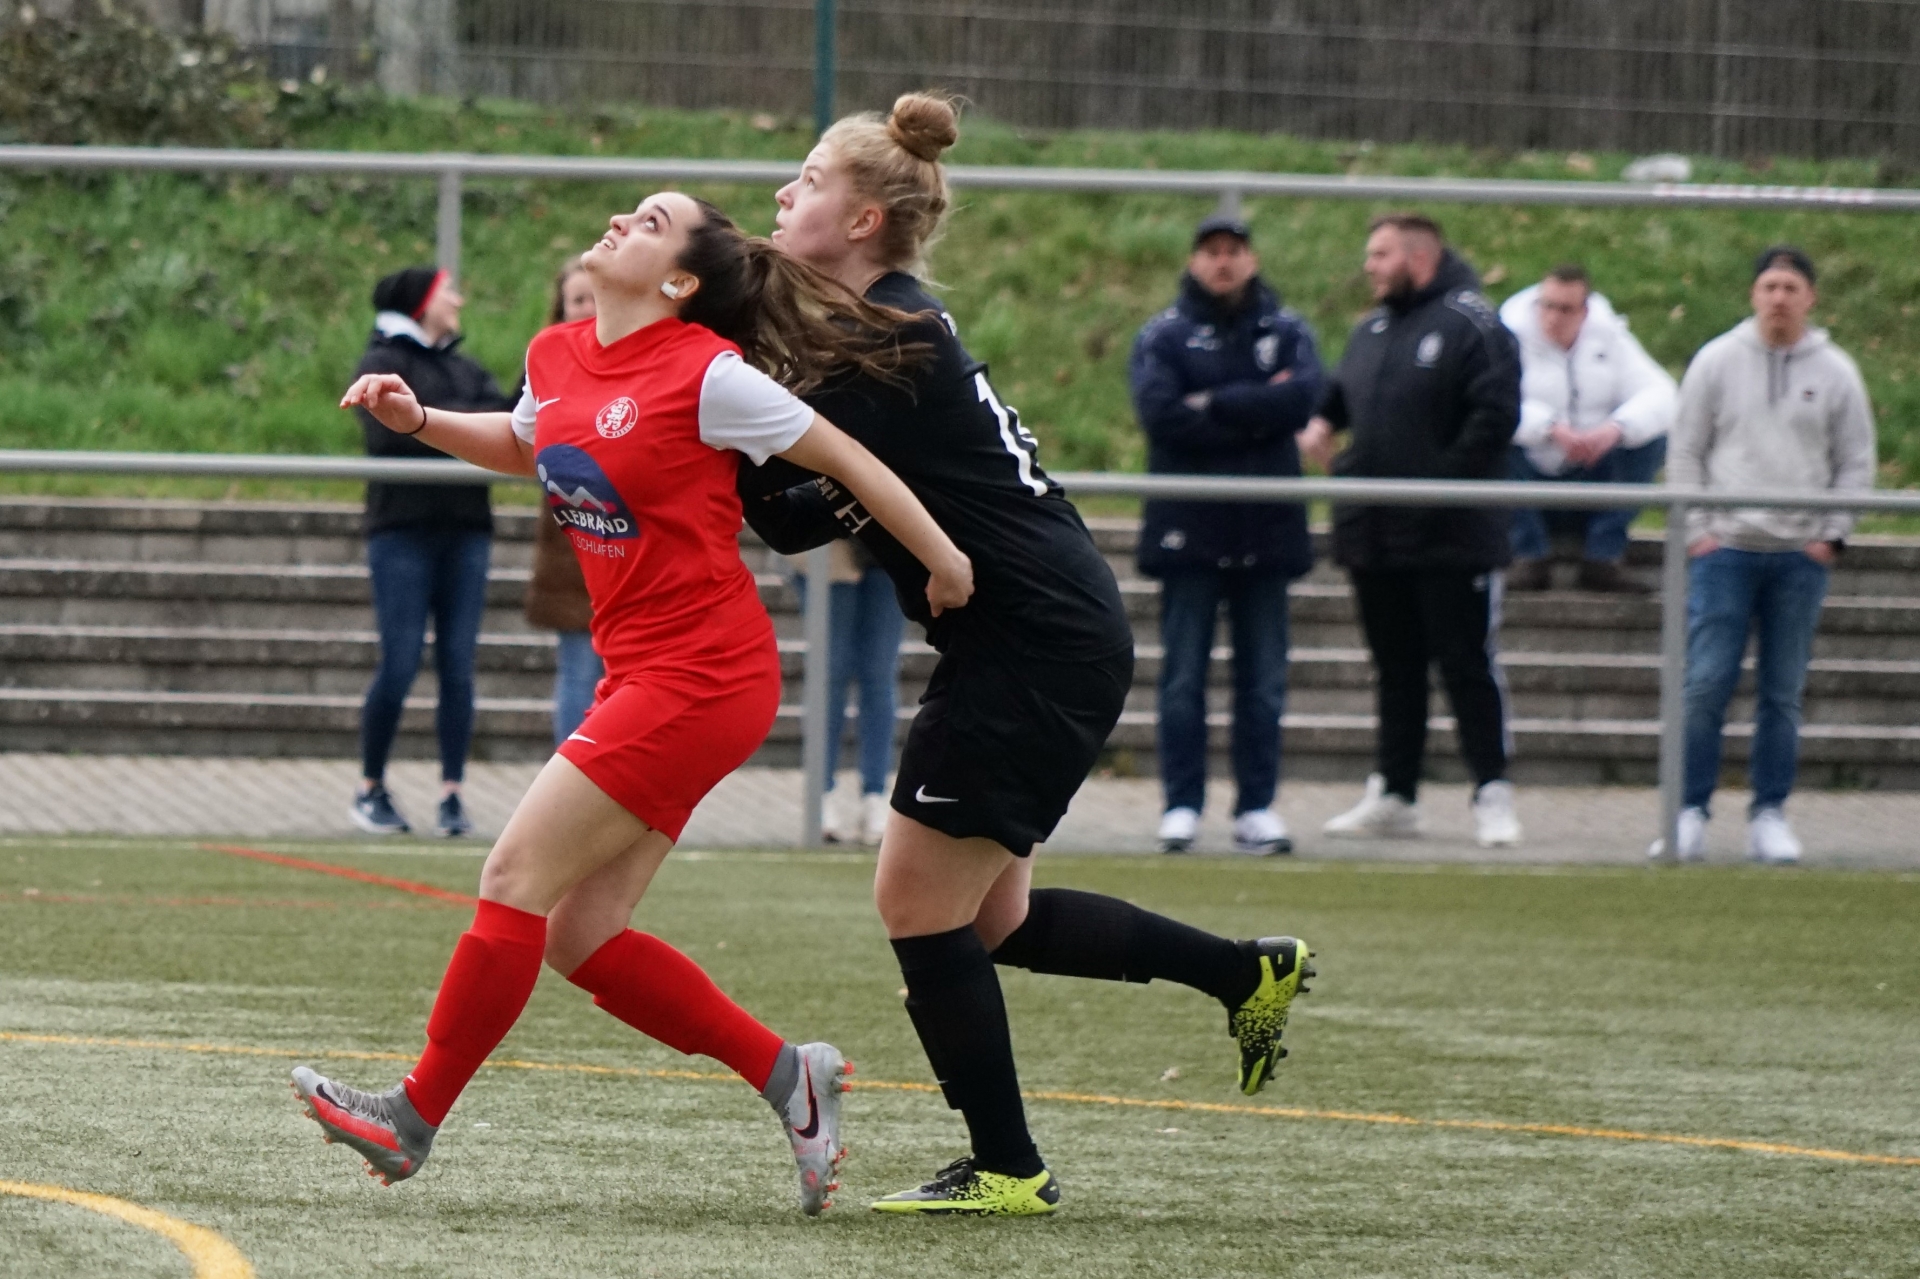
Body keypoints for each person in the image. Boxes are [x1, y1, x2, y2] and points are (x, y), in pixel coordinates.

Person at [293, 191, 977, 1218]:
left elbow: (849, 460)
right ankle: (792, 1076)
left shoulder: (709, 376)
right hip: (643, 671)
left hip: (703, 674)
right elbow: (530, 443)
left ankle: (411, 1116)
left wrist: (943, 559)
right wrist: (420, 418)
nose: (620, 219)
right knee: (581, 933)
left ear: (680, 284)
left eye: (651, 222)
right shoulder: (559, 350)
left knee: (513, 872)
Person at [742, 93, 1316, 1217]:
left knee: (914, 905)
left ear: (864, 219)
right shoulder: (881, 331)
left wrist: (698, 400)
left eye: (807, 180)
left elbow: (785, 510)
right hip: (1039, 633)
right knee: (990, 920)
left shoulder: (889, 341)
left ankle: (1008, 1167)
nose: (783, 193)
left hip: (1031, 642)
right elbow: (804, 507)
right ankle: (1243, 970)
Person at [1299, 213, 1523, 848]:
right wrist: (1320, 423)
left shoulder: (1474, 323)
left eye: (1380, 254)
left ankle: (1492, 792)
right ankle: (1396, 793)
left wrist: (1434, 492)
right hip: (1374, 534)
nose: (1368, 266)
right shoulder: (1371, 327)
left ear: (1418, 256)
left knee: (1465, 661)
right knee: (1395, 667)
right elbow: (1344, 397)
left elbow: (1495, 417)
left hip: (1451, 537)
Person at [1653, 246, 1875, 865]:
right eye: (1769, 286)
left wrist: (1831, 535)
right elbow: (1687, 449)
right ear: (1753, 294)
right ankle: (1690, 810)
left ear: (1811, 298)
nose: (1779, 298)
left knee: (1782, 691)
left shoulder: (1836, 371)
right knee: (1705, 684)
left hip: (1797, 557)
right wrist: (1698, 528)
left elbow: (1855, 460)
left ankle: (1769, 812)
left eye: (1791, 287)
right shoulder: (1717, 361)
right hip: (1725, 551)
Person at [1129, 209, 1322, 855]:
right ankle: (1182, 804)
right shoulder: (1165, 333)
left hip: (1266, 529)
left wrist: (1212, 402)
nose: (1222, 261)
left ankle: (1256, 807)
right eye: (1210, 250)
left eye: (1234, 250)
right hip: (1190, 530)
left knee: (1263, 679)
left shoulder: (1286, 330)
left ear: (1252, 259)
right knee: (1183, 678)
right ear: (1193, 260)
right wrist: (1254, 409)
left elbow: (1301, 400)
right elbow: (1160, 414)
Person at [349, 267, 512, 839]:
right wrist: (455, 426)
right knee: (398, 662)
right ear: (420, 302)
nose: (459, 299)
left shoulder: (464, 367)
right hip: (402, 532)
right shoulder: (380, 364)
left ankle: (451, 793)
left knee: (458, 667)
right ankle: (370, 786)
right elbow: (389, 435)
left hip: (466, 532)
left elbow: (508, 422)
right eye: (448, 290)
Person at [1501, 264, 1677, 593]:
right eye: (1547, 305)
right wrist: (1549, 428)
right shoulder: (1507, 338)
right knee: (1492, 438)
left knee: (1650, 437)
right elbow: (1491, 400)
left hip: (1593, 476)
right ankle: (1527, 555)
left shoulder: (1609, 338)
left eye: (1565, 309)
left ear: (1584, 311)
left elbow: (1661, 394)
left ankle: (1603, 557)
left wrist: (1615, 429)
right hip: (1529, 482)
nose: (1553, 317)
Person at [518, 258, 604, 745]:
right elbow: (518, 432)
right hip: (572, 540)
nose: (588, 309)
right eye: (577, 301)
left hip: (632, 539)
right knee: (578, 668)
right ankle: (571, 777)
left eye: (595, 297)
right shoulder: (544, 363)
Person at [792, 538, 906, 845]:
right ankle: (821, 794)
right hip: (826, 545)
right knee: (829, 672)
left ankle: (875, 795)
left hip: (888, 545)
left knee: (880, 673)